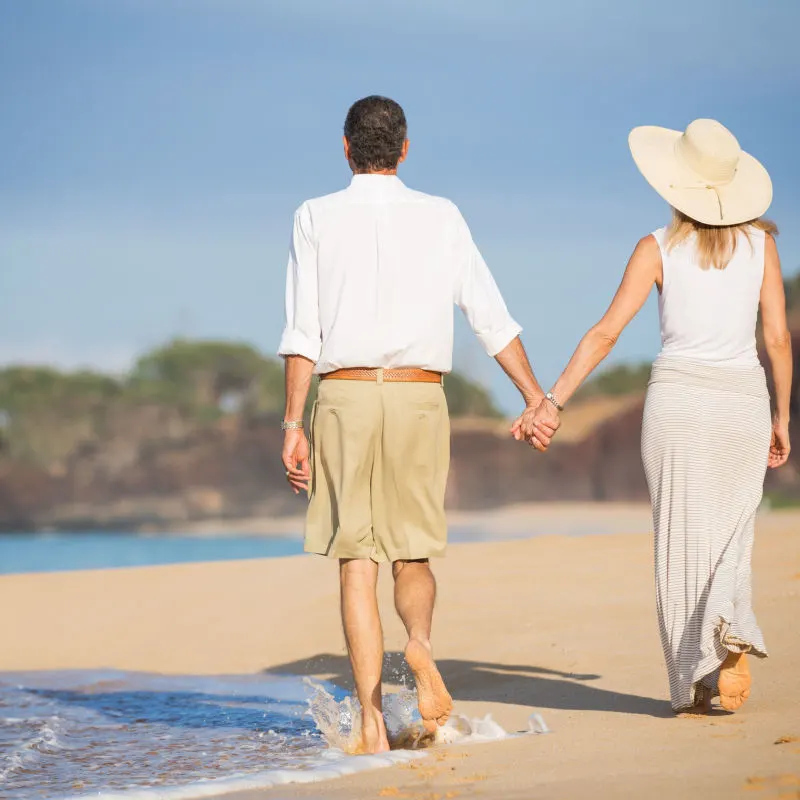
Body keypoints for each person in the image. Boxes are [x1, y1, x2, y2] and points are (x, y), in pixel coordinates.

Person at [278, 95, 559, 752]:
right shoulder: (442, 216)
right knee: (413, 552)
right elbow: (491, 316)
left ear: (345, 148)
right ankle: (419, 646)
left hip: (345, 397)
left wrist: (294, 421)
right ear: (405, 150)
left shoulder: (314, 215)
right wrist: (535, 397)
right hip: (418, 395)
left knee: (356, 563)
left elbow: (303, 331)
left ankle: (373, 721)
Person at [515, 118, 792, 714]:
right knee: (731, 540)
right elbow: (777, 338)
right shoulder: (763, 247)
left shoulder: (656, 248)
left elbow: (607, 332)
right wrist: (783, 416)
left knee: (680, 544)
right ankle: (729, 641)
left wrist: (552, 400)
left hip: (679, 404)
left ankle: (696, 680)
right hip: (743, 401)